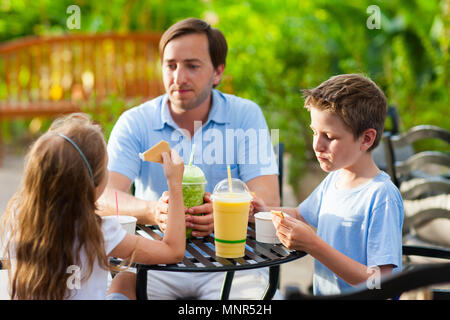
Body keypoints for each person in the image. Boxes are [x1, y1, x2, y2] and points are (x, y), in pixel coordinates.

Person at [97, 18, 280, 299]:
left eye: (192, 66)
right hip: (155, 259)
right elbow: (104, 196)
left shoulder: (245, 116)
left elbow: (270, 199)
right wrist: (153, 211)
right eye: (170, 65)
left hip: (232, 263)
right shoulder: (135, 121)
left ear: (217, 72)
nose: (178, 78)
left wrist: (222, 213)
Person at [1, 113, 185, 300]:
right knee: (126, 279)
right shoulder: (99, 231)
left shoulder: (17, 216)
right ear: (94, 187)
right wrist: (175, 185)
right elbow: (174, 252)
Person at [253, 74, 404, 295]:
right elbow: (299, 214)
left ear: (366, 139)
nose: (317, 145)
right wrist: (263, 212)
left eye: (329, 136)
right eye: (315, 132)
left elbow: (379, 284)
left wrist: (314, 245)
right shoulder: (336, 179)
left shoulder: (381, 196)